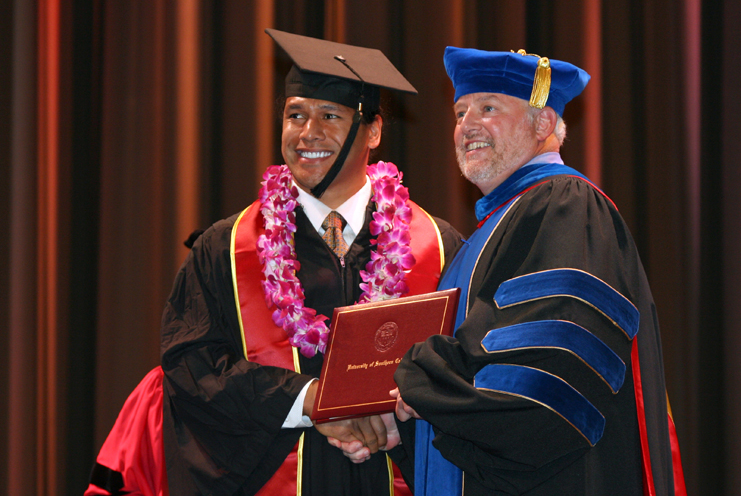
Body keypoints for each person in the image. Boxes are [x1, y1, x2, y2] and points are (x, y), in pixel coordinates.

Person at [85, 30, 461, 496]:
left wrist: (396, 413)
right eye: (295, 115)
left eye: (329, 115)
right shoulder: (225, 249)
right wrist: (310, 401)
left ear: (375, 131)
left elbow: (462, 368)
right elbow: (192, 366)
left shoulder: (437, 246)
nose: (308, 133)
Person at [391, 47, 686, 495]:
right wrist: (404, 415)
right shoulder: (491, 229)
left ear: (543, 124)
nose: (466, 125)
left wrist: (418, 378)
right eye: (459, 111)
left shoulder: (565, 204)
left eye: (488, 108)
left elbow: (544, 374)